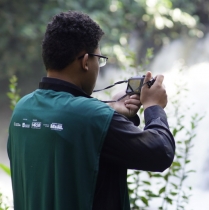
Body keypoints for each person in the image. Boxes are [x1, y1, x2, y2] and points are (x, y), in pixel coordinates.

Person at [7, 11, 175, 210]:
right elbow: (160, 152)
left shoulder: (22, 109)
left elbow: (68, 143)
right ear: (86, 61)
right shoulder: (93, 117)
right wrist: (153, 106)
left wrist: (111, 110)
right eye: (99, 59)